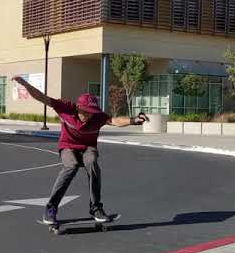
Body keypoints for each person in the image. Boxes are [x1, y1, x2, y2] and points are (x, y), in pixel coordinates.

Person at [12, 76, 148, 224]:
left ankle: (96, 208)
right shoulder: (65, 108)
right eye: (86, 112)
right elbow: (41, 97)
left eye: (91, 113)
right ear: (78, 108)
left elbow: (114, 121)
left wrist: (134, 120)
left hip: (88, 148)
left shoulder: (97, 116)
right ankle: (51, 208)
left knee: (92, 162)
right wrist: (25, 84)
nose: (89, 116)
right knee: (71, 166)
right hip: (68, 146)